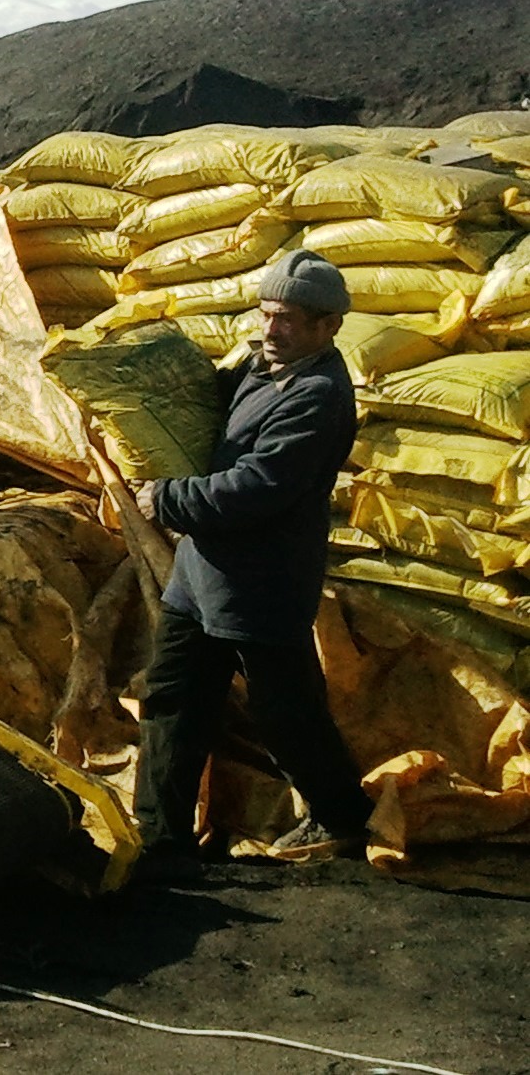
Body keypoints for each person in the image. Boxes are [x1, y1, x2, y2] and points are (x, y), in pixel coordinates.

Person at [133, 249, 374, 877]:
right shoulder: (260, 366)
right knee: (173, 698)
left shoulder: (319, 395)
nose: (271, 329)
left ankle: (343, 816)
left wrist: (168, 499)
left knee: (285, 713)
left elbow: (258, 486)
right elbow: (207, 411)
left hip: (262, 581)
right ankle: (160, 840)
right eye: (266, 314)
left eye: (287, 319)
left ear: (328, 326)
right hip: (200, 572)